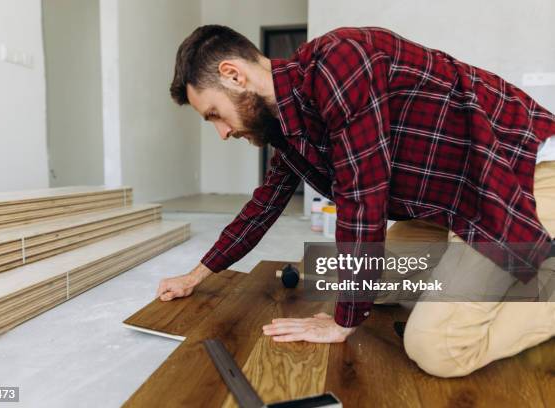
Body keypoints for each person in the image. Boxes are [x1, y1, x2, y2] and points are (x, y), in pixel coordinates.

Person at [157, 25, 555, 377]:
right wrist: (196, 275)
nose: (222, 132)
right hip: (454, 205)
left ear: (234, 75)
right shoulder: (291, 128)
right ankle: (494, 272)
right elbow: (262, 207)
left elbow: (362, 198)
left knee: (436, 347)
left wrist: (343, 323)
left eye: (214, 114)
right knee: (335, 274)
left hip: (516, 181)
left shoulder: (340, 60)